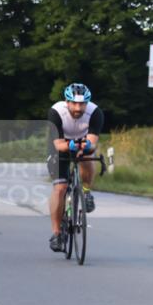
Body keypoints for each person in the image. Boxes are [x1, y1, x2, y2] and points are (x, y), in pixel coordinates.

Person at [47, 83, 104, 252]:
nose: (78, 108)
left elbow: (92, 143)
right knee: (60, 189)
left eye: (82, 104)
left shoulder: (95, 112)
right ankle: (57, 234)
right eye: (74, 103)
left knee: (86, 156)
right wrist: (70, 145)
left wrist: (84, 148)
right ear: (67, 102)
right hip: (59, 146)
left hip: (82, 144)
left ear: (87, 103)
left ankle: (86, 192)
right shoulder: (56, 112)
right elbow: (58, 145)